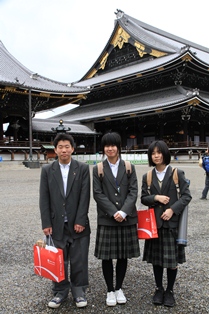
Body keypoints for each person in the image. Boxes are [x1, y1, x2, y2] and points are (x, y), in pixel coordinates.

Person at [39, 133, 90, 309]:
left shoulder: (82, 168)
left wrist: (80, 220)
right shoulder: (48, 170)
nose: (64, 150)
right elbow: (44, 198)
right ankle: (60, 291)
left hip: (77, 222)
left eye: (67, 146)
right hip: (56, 222)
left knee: (78, 258)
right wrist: (46, 223)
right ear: (55, 150)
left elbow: (85, 197)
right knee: (58, 259)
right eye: (60, 147)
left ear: (73, 149)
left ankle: (78, 290)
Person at [141, 140, 192, 307]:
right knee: (157, 260)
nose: (156, 156)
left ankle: (169, 290)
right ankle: (159, 288)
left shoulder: (178, 173)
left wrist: (172, 209)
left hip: (172, 225)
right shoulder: (147, 176)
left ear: (165, 153)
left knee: (171, 261)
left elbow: (186, 196)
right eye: (153, 153)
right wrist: (156, 197)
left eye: (159, 152)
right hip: (154, 225)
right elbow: (143, 198)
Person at [93, 132, 140, 307]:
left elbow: (133, 191)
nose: (110, 149)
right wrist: (114, 212)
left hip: (126, 217)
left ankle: (119, 287)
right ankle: (109, 289)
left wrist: (124, 211)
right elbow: (97, 194)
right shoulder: (98, 168)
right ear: (103, 148)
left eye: (113, 145)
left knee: (122, 256)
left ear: (119, 147)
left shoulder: (129, 167)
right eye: (107, 146)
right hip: (108, 218)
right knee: (107, 257)